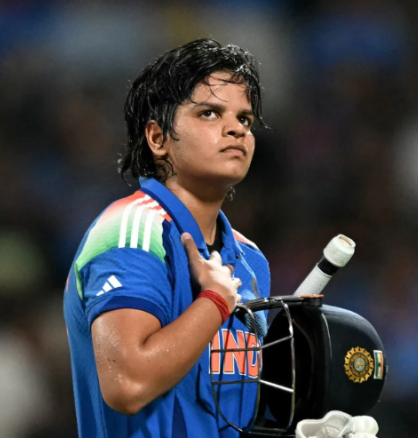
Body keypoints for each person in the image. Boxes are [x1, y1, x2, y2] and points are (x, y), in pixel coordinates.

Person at [63, 38, 271, 438]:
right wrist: (214, 302)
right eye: (209, 113)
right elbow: (127, 385)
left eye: (244, 119)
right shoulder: (131, 234)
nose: (236, 129)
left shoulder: (249, 259)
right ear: (158, 138)